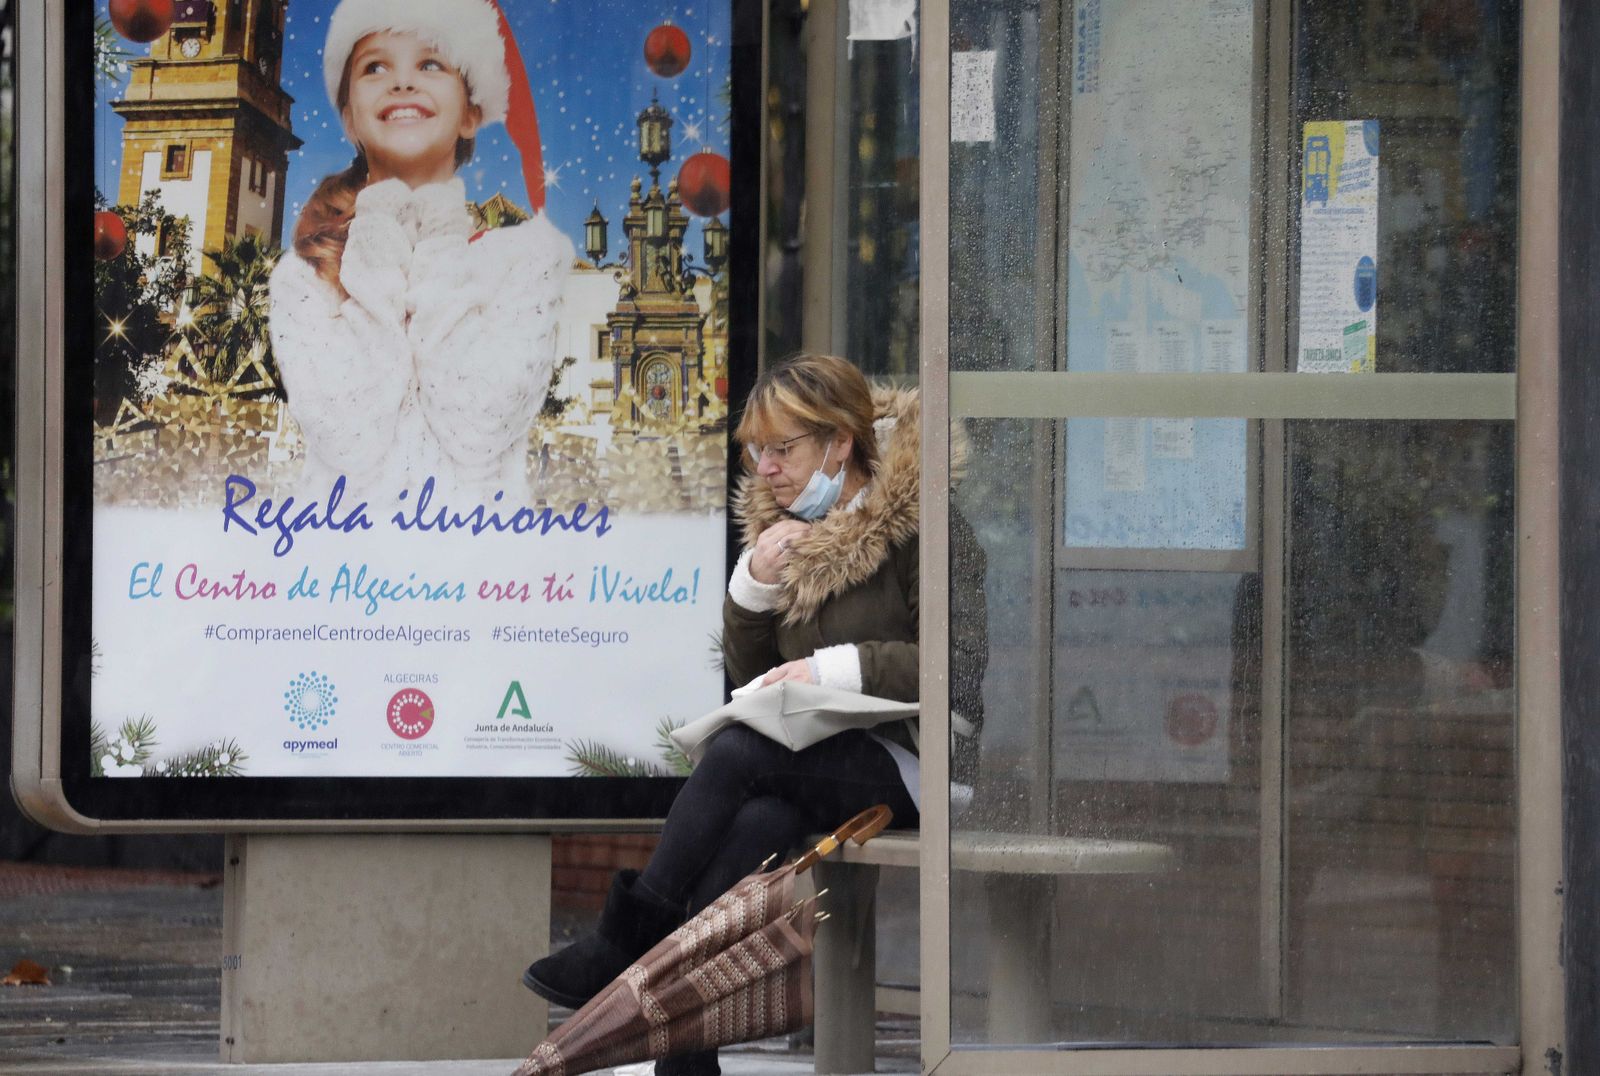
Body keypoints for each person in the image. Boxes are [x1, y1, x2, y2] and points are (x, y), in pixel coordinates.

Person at [522, 354, 988, 1076]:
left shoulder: (925, 523)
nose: (765, 467)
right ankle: (688, 1053)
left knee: (740, 754)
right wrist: (756, 590)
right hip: (821, 759)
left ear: (839, 443)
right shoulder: (791, 530)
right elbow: (749, 676)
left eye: (783, 449)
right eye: (756, 451)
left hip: (918, 760)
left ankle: (631, 942)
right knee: (758, 822)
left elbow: (954, 664)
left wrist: (833, 668)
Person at [269, 0, 572, 506]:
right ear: (350, 117)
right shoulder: (304, 276)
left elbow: (478, 427)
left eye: (430, 63)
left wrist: (438, 232)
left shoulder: (529, 260)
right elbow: (350, 440)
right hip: (340, 569)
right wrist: (380, 227)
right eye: (375, 67)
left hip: (480, 573)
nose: (402, 82)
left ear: (472, 110)